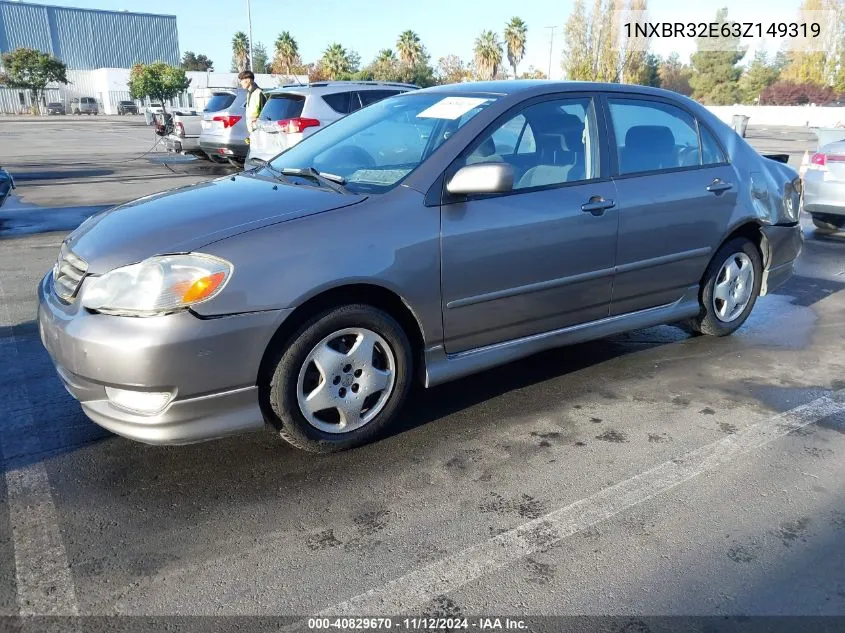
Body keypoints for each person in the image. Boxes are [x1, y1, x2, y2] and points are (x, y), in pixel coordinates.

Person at [238, 70, 266, 143]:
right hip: (253, 132)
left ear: (248, 80)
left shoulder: (259, 93)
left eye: (242, 80)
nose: (240, 83)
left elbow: (264, 113)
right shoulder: (249, 94)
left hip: (260, 132)